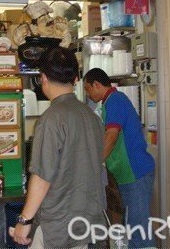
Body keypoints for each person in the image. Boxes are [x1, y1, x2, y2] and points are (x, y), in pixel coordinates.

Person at [10, 47, 106, 248]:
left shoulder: (52, 118)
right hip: (90, 222)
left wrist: (24, 220)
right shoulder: (92, 117)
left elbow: (42, 176)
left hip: (59, 226)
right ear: (76, 79)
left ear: (42, 78)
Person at [83, 68, 156, 249]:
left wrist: (96, 162)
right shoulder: (109, 102)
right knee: (132, 227)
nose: (87, 93)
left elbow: (112, 136)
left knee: (138, 230)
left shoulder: (115, 100)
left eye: (87, 89)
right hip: (128, 176)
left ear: (97, 85)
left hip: (135, 173)